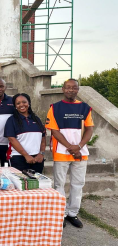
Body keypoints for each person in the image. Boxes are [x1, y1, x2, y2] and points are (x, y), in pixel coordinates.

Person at [45, 78, 94, 229]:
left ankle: (73, 213)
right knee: (59, 184)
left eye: (74, 88)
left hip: (80, 153)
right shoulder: (55, 108)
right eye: (68, 87)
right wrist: (70, 146)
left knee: (77, 184)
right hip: (61, 152)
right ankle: (61, 213)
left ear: (78, 90)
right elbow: (54, 130)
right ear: (63, 89)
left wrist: (78, 146)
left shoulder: (85, 108)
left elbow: (89, 129)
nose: (71, 90)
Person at [4, 93, 46, 173]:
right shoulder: (11, 120)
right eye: (18, 103)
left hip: (37, 159)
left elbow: (43, 137)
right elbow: (12, 140)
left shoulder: (37, 119)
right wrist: (26, 156)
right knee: (20, 184)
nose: (21, 105)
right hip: (18, 158)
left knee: (36, 184)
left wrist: (41, 154)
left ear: (29, 103)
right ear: (15, 106)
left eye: (24, 102)